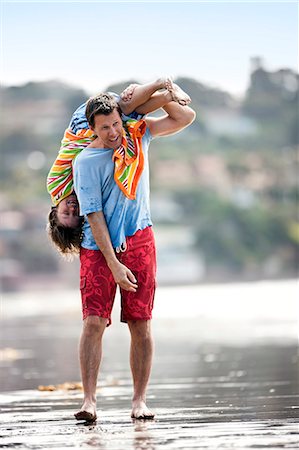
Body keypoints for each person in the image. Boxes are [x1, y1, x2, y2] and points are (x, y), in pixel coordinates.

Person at [72, 81, 195, 422]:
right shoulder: (85, 162)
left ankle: (140, 400)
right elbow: (93, 214)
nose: (112, 132)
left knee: (141, 322)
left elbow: (185, 117)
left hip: (139, 238)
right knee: (94, 322)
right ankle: (89, 401)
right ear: (92, 129)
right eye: (104, 128)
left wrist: (167, 92)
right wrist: (112, 263)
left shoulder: (137, 136)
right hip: (98, 248)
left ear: (120, 119)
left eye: (115, 124)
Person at [47, 78, 191, 255]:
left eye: (65, 214)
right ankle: (167, 93)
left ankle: (160, 84)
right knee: (129, 110)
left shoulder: (55, 185)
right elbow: (187, 117)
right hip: (98, 133)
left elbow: (73, 156)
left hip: (80, 130)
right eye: (75, 215)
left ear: (54, 213)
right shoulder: (78, 191)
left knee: (123, 107)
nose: (72, 209)